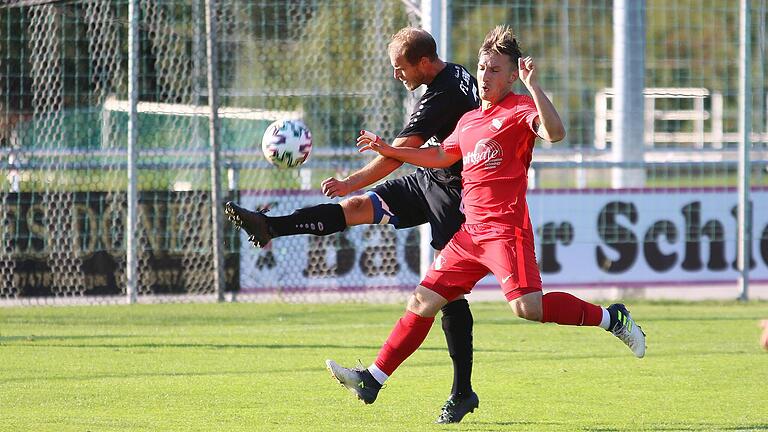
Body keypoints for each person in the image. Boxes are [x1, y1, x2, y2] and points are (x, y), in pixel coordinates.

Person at [325, 25, 647, 411]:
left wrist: (533, 87)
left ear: (512, 75)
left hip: (504, 232)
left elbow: (556, 132)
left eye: (495, 70)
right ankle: (372, 379)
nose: (484, 75)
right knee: (422, 301)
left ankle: (612, 319)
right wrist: (387, 149)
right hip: (469, 234)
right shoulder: (470, 121)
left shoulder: (519, 110)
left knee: (528, 308)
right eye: (481, 67)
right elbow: (440, 157)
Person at [224, 27, 481, 423]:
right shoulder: (455, 74)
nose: (398, 76)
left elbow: (396, 156)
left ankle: (462, 391)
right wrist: (352, 190)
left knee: (447, 293)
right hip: (433, 179)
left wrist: (349, 180)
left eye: (401, 69)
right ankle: (270, 227)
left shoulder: (441, 95)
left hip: (458, 193)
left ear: (425, 63)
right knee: (357, 207)